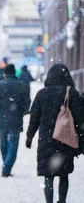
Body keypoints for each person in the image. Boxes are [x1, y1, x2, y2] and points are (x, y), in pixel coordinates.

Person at [26, 63, 84, 203]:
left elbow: (34, 117)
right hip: (66, 139)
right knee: (64, 175)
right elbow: (80, 120)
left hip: (47, 140)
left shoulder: (42, 94)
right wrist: (81, 142)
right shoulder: (72, 93)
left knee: (48, 175)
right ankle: (62, 201)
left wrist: (30, 136)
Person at [0, 64, 31, 177]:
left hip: (1, 120)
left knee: (3, 143)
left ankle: (6, 164)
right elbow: (27, 103)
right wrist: (21, 112)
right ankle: (7, 166)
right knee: (13, 145)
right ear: (14, 73)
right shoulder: (21, 85)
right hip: (15, 120)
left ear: (5, 73)